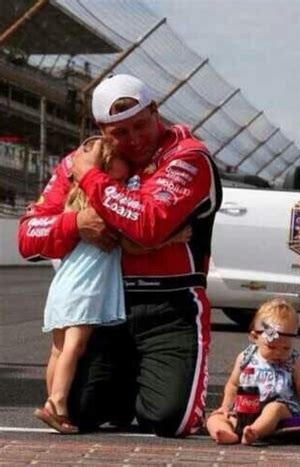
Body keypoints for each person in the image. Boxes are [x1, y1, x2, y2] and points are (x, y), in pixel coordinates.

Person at [18, 73, 223, 436]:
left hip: (170, 306)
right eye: (120, 132)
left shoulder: (188, 156)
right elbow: (28, 236)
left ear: (156, 110)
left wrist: (92, 179)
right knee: (78, 414)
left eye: (141, 125)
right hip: (101, 309)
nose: (135, 139)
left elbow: (147, 224)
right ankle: (123, 389)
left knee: (170, 421)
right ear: (101, 128)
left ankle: (146, 389)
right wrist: (77, 224)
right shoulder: (78, 161)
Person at [33, 139, 129, 434]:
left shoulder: (75, 205)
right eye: (117, 179)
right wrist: (170, 239)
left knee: (58, 349)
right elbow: (132, 243)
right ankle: (58, 403)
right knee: (75, 345)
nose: (121, 186)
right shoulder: (104, 211)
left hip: (64, 284)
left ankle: (54, 403)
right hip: (86, 287)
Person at [206, 298, 300, 445]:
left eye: (286, 348)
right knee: (214, 418)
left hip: (281, 412)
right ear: (255, 337)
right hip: (244, 411)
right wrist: (225, 406)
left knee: (275, 408)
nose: (279, 353)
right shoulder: (246, 357)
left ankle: (254, 432)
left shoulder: (292, 361)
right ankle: (225, 432)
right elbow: (233, 385)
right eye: (272, 347)